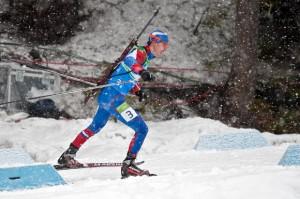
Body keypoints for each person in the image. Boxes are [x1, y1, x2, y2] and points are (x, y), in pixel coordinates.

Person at [58, 30, 169, 178]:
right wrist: (141, 71)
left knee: (95, 126)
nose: (165, 48)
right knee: (142, 129)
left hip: (108, 96)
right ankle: (129, 165)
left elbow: (128, 75)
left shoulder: (146, 58)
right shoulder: (140, 52)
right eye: (164, 44)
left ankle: (68, 154)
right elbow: (129, 62)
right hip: (114, 99)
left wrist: (137, 90)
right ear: (154, 42)